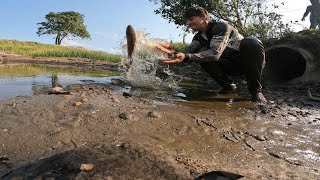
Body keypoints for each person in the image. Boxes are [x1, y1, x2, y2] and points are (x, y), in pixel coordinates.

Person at [158, 6, 268, 104]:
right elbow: (188, 53)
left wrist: (187, 57)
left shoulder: (221, 27)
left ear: (203, 17)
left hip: (250, 63)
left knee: (251, 41)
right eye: (187, 21)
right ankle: (228, 87)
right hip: (231, 66)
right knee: (202, 57)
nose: (188, 23)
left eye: (191, 19)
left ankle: (256, 91)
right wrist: (171, 51)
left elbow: (214, 53)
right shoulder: (198, 38)